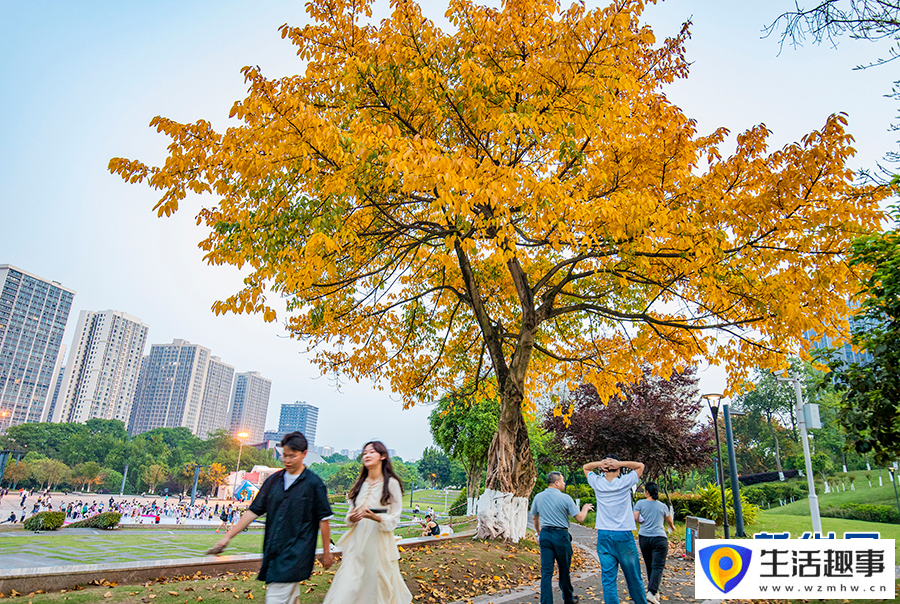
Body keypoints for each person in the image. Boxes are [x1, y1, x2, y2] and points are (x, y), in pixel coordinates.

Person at [208, 431, 334, 604]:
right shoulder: (274, 481)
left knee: (275, 598)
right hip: (274, 550)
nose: (287, 461)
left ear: (304, 454)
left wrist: (327, 552)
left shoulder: (314, 484)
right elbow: (253, 512)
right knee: (291, 598)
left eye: (292, 456)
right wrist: (227, 537)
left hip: (296, 554)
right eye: (285, 456)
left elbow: (324, 520)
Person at [323, 441, 412, 604]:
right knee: (346, 587)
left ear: (383, 456)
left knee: (376, 589)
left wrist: (376, 517)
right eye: (364, 453)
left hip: (379, 545)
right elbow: (349, 516)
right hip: (356, 545)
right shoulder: (360, 485)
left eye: (371, 452)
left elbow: (394, 518)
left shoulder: (391, 484)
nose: (367, 455)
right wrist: (352, 517)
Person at [583, 455, 646, 604]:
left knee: (608, 580)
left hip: (604, 534)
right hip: (623, 534)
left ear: (604, 470)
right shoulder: (625, 482)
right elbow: (640, 466)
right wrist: (620, 463)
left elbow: (586, 467)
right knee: (633, 577)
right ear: (618, 469)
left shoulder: (597, 483)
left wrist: (600, 464)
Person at [531, 471, 594, 604]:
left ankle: (546, 601)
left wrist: (539, 532)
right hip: (561, 535)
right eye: (563, 481)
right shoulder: (565, 498)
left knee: (546, 572)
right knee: (564, 569)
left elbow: (535, 517)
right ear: (556, 482)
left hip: (546, 535)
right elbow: (580, 518)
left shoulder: (538, 497)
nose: (564, 483)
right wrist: (585, 508)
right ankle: (568, 598)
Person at [633, 483, 675, 604]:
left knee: (649, 564)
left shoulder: (640, 503)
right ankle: (652, 592)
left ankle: (654, 591)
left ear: (647, 492)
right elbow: (669, 521)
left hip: (644, 537)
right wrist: (672, 527)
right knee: (658, 566)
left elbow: (635, 518)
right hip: (659, 538)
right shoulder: (662, 506)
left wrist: (642, 521)